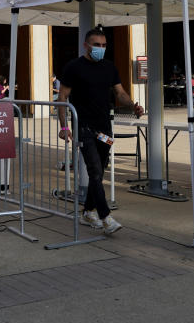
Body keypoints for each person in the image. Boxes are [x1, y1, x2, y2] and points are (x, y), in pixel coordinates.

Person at [57, 28, 144, 235]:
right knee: (94, 170)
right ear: (86, 45)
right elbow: (62, 98)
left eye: (104, 46)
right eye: (97, 45)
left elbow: (120, 93)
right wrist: (63, 127)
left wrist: (132, 106)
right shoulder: (73, 67)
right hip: (84, 127)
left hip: (104, 128)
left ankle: (88, 211)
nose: (101, 49)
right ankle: (106, 217)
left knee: (100, 170)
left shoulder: (109, 68)